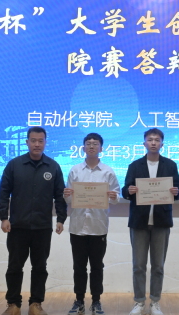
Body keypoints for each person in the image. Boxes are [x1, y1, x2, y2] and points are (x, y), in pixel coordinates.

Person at [0, 126, 67, 315]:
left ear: (45, 142)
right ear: (27, 142)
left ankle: (36, 303)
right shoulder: (14, 165)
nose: (37, 144)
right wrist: (3, 217)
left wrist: (61, 219)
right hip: (17, 226)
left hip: (42, 227)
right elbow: (3, 193)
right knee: (14, 267)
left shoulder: (53, 166)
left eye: (40, 141)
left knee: (40, 267)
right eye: (33, 140)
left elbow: (60, 196)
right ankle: (13, 304)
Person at [121, 128, 179, 315]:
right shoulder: (135, 165)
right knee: (138, 266)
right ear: (144, 143)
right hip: (139, 222)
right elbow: (125, 190)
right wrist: (129, 191)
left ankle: (155, 301)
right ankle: (139, 301)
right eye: (150, 139)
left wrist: (176, 192)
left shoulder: (170, 165)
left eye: (157, 140)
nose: (153, 143)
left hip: (161, 222)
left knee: (158, 266)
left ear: (162, 144)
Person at [63, 133, 121, 315]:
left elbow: (116, 198)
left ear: (101, 148)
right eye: (88, 143)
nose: (91, 146)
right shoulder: (75, 170)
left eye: (95, 144)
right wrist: (67, 195)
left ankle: (96, 301)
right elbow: (68, 199)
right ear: (83, 148)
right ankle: (79, 301)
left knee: (97, 267)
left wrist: (113, 196)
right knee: (78, 267)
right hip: (77, 227)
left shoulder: (108, 172)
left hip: (98, 227)